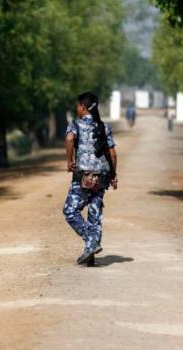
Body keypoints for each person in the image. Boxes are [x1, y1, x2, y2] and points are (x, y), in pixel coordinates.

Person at [63, 91, 118, 266]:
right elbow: (112, 153)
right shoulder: (104, 126)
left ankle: (91, 239)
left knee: (70, 211)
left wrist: (70, 160)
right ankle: (91, 253)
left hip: (83, 175)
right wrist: (113, 174)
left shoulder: (75, 125)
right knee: (95, 212)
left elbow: (70, 139)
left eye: (78, 105)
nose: (76, 108)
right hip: (101, 175)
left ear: (83, 107)